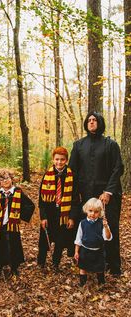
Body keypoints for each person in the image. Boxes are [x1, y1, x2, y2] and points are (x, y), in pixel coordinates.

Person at [69, 111, 124, 276]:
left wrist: (109, 191)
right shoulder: (78, 145)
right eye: (89, 120)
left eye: (95, 120)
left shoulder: (110, 144)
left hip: (106, 195)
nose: (91, 122)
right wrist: (75, 194)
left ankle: (113, 266)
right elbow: (72, 171)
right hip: (85, 195)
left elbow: (118, 168)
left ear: (100, 123)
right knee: (85, 229)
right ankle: (85, 264)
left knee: (109, 227)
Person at [37, 147, 79, 271]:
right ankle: (41, 263)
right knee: (44, 241)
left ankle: (55, 263)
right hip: (49, 213)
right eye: (57, 159)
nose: (59, 162)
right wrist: (43, 216)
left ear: (66, 160)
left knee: (60, 241)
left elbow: (76, 200)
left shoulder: (72, 176)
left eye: (62, 160)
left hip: (64, 214)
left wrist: (72, 217)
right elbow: (41, 200)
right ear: (53, 159)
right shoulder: (47, 175)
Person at [0, 169, 35, 278]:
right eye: (2, 179)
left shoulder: (17, 192)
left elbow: (30, 206)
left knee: (12, 245)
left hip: (12, 225)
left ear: (11, 179)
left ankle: (14, 266)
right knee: (0, 245)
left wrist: (19, 215)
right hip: (1, 225)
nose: (5, 181)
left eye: (7, 178)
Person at [74, 198, 112, 287]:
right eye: (90, 211)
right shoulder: (82, 223)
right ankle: (82, 284)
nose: (93, 214)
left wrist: (106, 227)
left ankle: (101, 283)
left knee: (99, 268)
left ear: (100, 213)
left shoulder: (102, 223)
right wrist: (76, 251)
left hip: (98, 250)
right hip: (85, 250)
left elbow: (108, 237)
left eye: (96, 212)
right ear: (86, 210)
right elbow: (78, 239)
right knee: (83, 268)